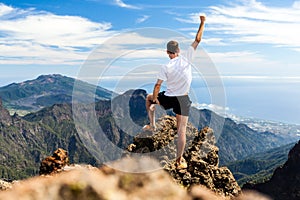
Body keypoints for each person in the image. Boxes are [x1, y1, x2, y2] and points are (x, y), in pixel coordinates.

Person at [143, 15, 206, 169]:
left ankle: (152, 125)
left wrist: (155, 101)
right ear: (178, 50)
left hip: (169, 98)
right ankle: (179, 161)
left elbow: (157, 86)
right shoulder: (186, 59)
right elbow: (197, 40)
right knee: (181, 131)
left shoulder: (165, 67)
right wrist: (202, 22)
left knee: (148, 98)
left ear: (167, 52)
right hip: (183, 100)